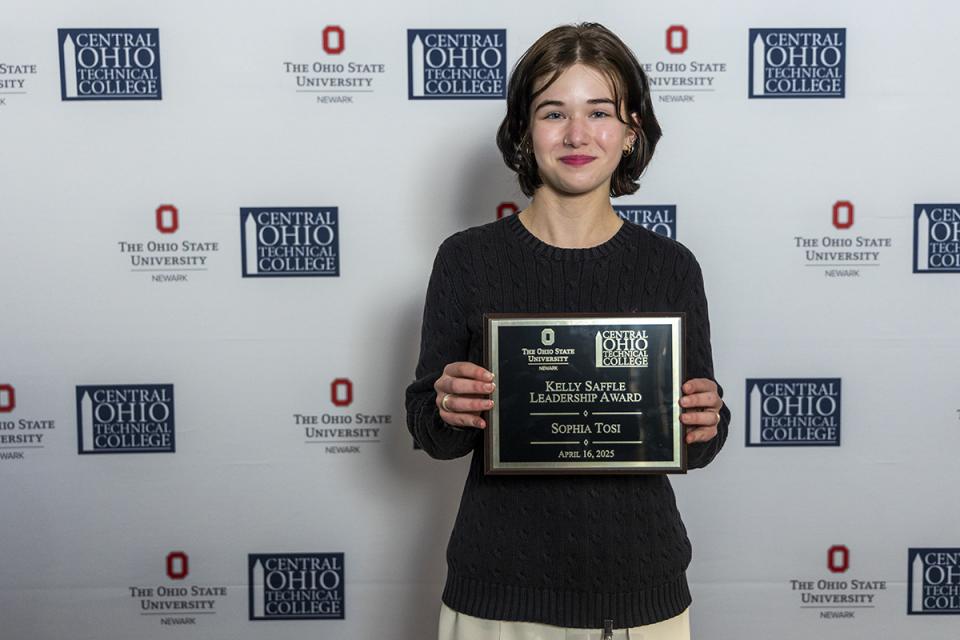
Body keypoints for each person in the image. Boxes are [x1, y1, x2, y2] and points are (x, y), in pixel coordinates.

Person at [406, 23, 729, 640]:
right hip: (498, 591)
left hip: (640, 591)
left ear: (631, 130)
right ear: (524, 131)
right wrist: (447, 406)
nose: (577, 135)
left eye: (599, 112)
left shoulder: (670, 267)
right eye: (554, 112)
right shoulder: (466, 260)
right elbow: (431, 429)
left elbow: (696, 440)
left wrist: (705, 419)